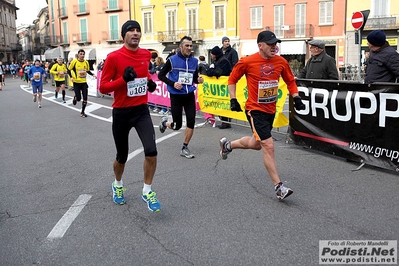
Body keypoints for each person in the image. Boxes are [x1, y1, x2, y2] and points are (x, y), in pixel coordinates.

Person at [219, 30, 306, 200]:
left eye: (276, 44)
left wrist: (296, 98)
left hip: (270, 110)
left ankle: (227, 145)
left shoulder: (281, 62)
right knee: (268, 145)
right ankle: (279, 187)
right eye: (271, 44)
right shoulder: (247, 61)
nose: (275, 47)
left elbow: (290, 80)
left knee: (256, 143)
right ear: (260, 45)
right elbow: (232, 79)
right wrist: (233, 99)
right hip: (254, 110)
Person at [99, 20, 160, 212]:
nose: (135, 33)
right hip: (122, 112)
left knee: (151, 151)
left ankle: (147, 190)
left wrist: (150, 84)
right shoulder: (114, 57)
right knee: (122, 156)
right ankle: (117, 185)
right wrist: (123, 79)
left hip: (141, 110)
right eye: (131, 31)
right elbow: (103, 86)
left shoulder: (145, 54)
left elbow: (145, 76)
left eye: (138, 30)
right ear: (123, 35)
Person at [158, 36, 204, 159]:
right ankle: (165, 123)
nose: (189, 48)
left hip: (189, 95)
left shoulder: (194, 61)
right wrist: (173, 83)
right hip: (176, 95)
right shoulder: (172, 60)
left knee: (191, 121)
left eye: (191, 45)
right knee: (177, 125)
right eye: (187, 45)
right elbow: (161, 75)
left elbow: (194, 78)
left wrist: (198, 80)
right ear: (181, 47)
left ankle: (184, 147)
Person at [68, 49, 96, 117]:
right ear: (78, 55)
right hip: (76, 83)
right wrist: (71, 77)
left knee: (85, 98)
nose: (82, 55)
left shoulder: (86, 62)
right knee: (79, 99)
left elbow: (87, 71)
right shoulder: (74, 62)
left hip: (83, 83)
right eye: (81, 54)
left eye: (83, 54)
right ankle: (75, 97)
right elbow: (69, 70)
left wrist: (93, 75)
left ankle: (82, 112)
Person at [219, 36, 239, 129]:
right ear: (222, 42)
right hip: (220, 79)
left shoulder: (233, 52)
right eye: (225, 41)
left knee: (228, 99)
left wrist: (232, 74)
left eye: (228, 41)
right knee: (220, 100)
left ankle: (227, 121)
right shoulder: (219, 51)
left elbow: (236, 64)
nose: (227, 42)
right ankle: (223, 120)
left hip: (229, 78)